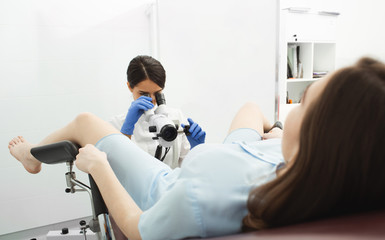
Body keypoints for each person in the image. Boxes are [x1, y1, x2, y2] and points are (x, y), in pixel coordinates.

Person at [8, 57, 385, 240]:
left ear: (321, 137)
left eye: (302, 104)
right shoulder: (340, 172)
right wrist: (279, 137)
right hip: (257, 158)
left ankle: (31, 157)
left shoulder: (199, 198)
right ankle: (272, 130)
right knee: (252, 108)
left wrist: (100, 165)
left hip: (207, 172)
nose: (152, 99)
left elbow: (140, 230)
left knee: (85, 121)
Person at [109, 55, 206, 168]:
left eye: (157, 93)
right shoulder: (115, 124)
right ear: (130, 87)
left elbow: (191, 170)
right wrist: (126, 131)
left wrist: (197, 150)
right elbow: (115, 169)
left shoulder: (176, 116)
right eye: (143, 94)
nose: (152, 99)